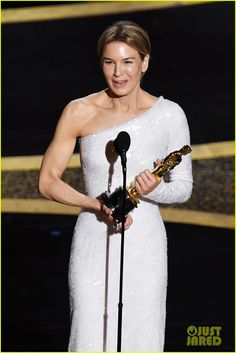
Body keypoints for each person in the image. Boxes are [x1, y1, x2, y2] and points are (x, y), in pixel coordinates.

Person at [39, 20, 193, 352]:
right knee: (90, 334)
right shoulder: (79, 110)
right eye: (110, 62)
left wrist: (155, 190)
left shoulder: (169, 115)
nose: (118, 72)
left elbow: (183, 188)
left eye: (128, 62)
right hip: (93, 239)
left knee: (141, 337)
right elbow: (47, 181)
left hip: (145, 244)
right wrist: (97, 205)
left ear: (145, 62)